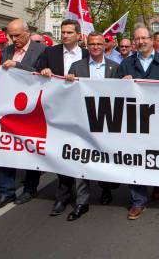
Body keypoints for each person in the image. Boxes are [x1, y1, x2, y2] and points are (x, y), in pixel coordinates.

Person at [117, 26, 159, 220]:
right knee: (135, 159)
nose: (141, 42)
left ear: (152, 40)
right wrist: (122, 84)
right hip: (134, 121)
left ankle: (158, 185)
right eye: (137, 39)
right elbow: (113, 94)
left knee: (156, 157)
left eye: (144, 38)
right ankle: (138, 201)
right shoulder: (126, 64)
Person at [0, 19, 46, 210]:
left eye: (17, 36)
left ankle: (30, 188)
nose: (14, 40)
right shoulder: (6, 50)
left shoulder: (40, 51)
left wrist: (17, 66)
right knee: (6, 148)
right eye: (11, 36)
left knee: (30, 150)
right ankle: (6, 191)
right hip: (9, 109)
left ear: (27, 33)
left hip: (31, 110)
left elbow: (42, 75)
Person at [64, 32, 119, 221]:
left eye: (98, 44)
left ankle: (106, 189)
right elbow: (67, 93)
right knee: (82, 160)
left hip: (106, 122)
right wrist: (68, 82)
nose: (95, 47)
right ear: (87, 46)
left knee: (104, 157)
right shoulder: (76, 67)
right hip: (82, 121)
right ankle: (82, 201)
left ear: (105, 45)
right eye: (92, 44)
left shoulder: (115, 68)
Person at [37, 19, 89, 216]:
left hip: (81, 111)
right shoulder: (50, 53)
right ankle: (63, 195)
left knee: (81, 153)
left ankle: (83, 195)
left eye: (69, 32)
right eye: (63, 32)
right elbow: (36, 73)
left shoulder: (86, 54)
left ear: (78, 35)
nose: (65, 35)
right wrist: (44, 71)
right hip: (57, 111)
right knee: (63, 152)